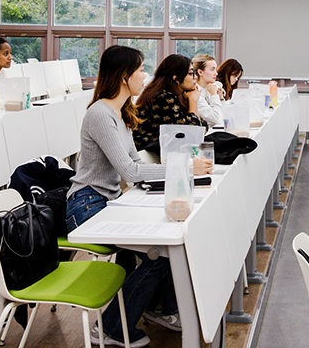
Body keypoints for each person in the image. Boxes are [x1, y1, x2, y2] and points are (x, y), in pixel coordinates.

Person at [66, 45, 212, 347]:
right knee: (158, 256)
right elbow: (131, 171)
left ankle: (160, 309)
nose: (145, 76)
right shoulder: (100, 115)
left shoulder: (120, 113)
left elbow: (134, 164)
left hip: (107, 201)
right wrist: (184, 167)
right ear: (124, 76)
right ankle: (111, 327)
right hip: (86, 204)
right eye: (141, 70)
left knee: (166, 247)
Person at [132, 54, 207, 154]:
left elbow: (203, 128)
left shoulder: (177, 95)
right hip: (150, 156)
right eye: (190, 73)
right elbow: (194, 134)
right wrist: (193, 101)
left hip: (166, 153)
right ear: (176, 78)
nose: (195, 78)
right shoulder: (164, 97)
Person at [191, 53, 223, 127]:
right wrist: (214, 95)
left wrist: (221, 98)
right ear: (200, 72)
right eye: (212, 69)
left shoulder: (210, 88)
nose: (216, 73)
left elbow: (225, 116)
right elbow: (217, 119)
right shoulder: (196, 92)